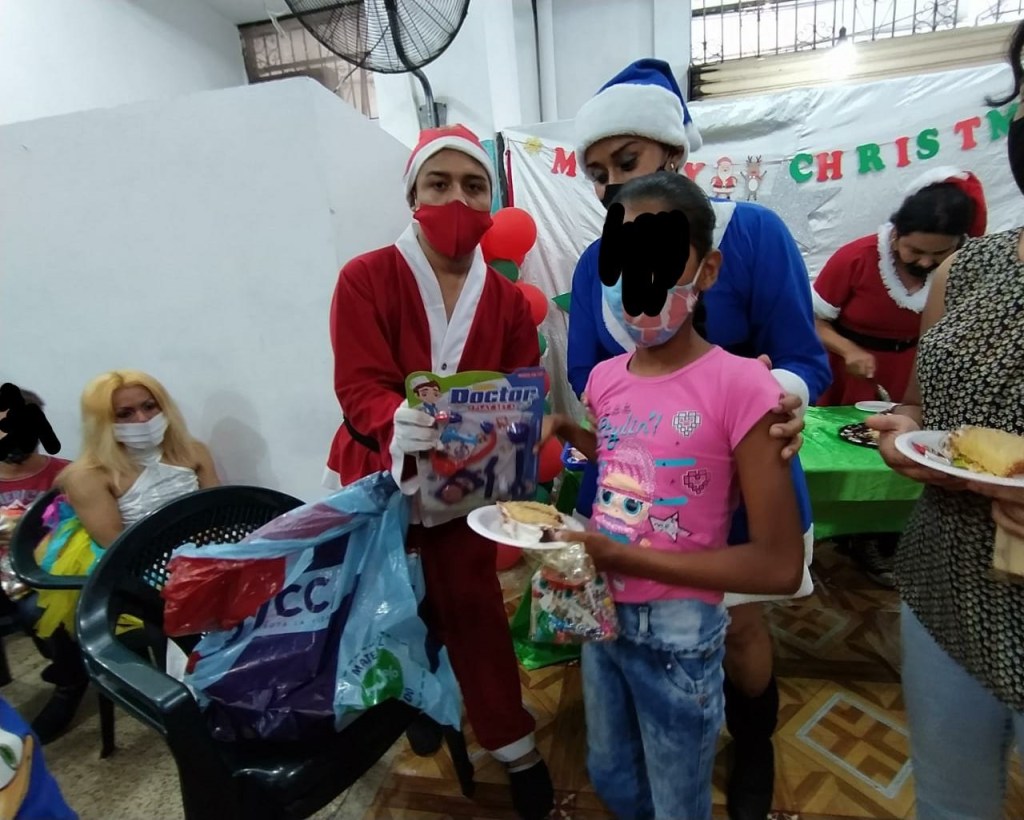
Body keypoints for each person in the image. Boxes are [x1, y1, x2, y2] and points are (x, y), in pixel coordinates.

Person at [567, 58, 830, 819]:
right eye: (597, 174)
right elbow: (588, 370)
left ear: (676, 154)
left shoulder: (754, 234)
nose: (612, 184)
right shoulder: (595, 264)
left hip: (742, 475)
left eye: (627, 161)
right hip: (634, 488)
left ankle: (753, 743)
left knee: (738, 626)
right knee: (627, 631)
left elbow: (805, 358)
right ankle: (654, 749)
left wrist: (772, 400)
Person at [324, 124, 553, 819]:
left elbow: (521, 386)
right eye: (440, 183)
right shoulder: (365, 278)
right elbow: (357, 383)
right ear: (413, 195)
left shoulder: (506, 301)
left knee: (474, 608)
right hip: (380, 472)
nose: (458, 199)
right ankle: (414, 702)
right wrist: (393, 418)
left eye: (474, 185)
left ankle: (512, 743)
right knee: (388, 605)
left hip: (464, 487)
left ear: (492, 199)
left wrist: (517, 443)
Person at [867, 25, 1024, 817]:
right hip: (946, 583)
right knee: (951, 804)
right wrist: (906, 436)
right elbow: (925, 408)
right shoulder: (971, 270)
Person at [30, 369, 218, 743]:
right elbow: (117, 545)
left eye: (150, 406)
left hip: (202, 556)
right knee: (197, 612)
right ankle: (202, 707)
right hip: (138, 572)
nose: (143, 420)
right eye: (125, 414)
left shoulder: (192, 451)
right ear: (103, 422)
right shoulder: (87, 476)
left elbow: (217, 511)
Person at [813, 168, 986, 406]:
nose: (925, 262)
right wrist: (848, 349)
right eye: (915, 251)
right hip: (849, 374)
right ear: (895, 234)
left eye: (940, 253)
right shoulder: (855, 258)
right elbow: (812, 321)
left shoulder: (962, 268)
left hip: (913, 377)